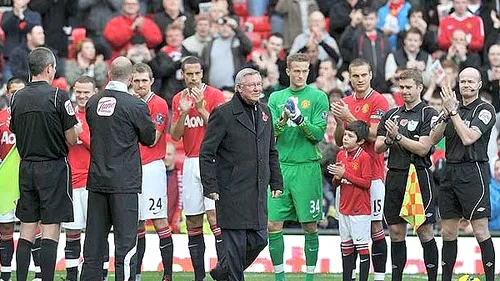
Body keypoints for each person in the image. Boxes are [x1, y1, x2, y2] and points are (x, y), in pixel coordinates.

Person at [199, 68, 284, 281]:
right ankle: (230, 271)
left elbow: (271, 150)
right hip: (231, 189)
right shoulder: (223, 113)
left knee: (260, 239)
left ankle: (223, 270)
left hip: (257, 189)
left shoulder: (265, 112)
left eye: (258, 84)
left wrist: (276, 181)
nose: (257, 88)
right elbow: (207, 152)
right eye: (251, 85)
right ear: (239, 88)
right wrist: (210, 186)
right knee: (235, 245)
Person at [81, 57, 156, 281]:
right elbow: (149, 138)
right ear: (131, 78)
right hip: (124, 183)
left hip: (97, 181)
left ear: (108, 75)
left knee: (93, 243)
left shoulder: (93, 102)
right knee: (125, 244)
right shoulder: (135, 105)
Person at [10, 47, 81, 281]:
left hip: (27, 166)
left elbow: (14, 130)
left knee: (27, 228)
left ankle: (20, 278)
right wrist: (75, 130)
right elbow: (72, 138)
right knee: (50, 228)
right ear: (49, 68)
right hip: (53, 167)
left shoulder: (17, 97)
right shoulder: (58, 96)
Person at [430, 67, 496, 281]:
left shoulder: (485, 110)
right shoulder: (452, 108)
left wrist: (454, 113)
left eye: (470, 82)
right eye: (462, 81)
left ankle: (489, 278)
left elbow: (468, 137)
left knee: (480, 230)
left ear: (478, 85)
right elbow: (433, 137)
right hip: (450, 171)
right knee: (448, 231)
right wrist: (446, 113)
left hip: (473, 171)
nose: (466, 85)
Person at [267, 53, 329, 281]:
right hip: (281, 167)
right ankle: (279, 278)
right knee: (273, 223)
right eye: (297, 70)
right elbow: (271, 133)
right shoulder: (275, 98)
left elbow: (318, 134)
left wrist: (300, 119)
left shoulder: (318, 97)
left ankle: (309, 277)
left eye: (305, 71)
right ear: (288, 71)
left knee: (310, 225)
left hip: (307, 167)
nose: (301, 75)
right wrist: (283, 119)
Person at [374, 69, 439, 281]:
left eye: (409, 87)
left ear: (420, 87)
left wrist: (398, 136)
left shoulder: (428, 114)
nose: (404, 91)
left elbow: (422, 148)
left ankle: (431, 277)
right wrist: (390, 140)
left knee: (424, 231)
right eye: (401, 87)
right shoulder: (392, 114)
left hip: (418, 175)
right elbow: (377, 146)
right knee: (395, 231)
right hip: (395, 175)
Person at [331, 58, 389, 281]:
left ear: (371, 74)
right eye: (355, 75)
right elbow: (339, 141)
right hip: (346, 176)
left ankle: (380, 276)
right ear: (350, 77)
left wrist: (348, 117)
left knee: (374, 226)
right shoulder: (345, 101)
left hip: (372, 175)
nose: (360, 79)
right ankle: (351, 275)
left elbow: (375, 135)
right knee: (348, 229)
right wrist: (338, 123)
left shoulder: (378, 101)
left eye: (364, 75)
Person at [170, 56, 226, 281]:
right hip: (191, 161)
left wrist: (201, 106)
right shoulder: (177, 99)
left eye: (197, 74)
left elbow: (221, 127)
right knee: (193, 220)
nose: (193, 78)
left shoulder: (215, 95)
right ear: (183, 75)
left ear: (203, 73)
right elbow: (174, 135)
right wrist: (183, 112)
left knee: (215, 218)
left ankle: (224, 272)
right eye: (189, 74)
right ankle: (199, 276)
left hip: (213, 161)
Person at [130, 63, 174, 281]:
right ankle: (136, 274)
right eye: (136, 81)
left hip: (152, 168)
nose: (140, 85)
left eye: (144, 81)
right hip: (132, 168)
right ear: (130, 81)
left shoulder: (158, 103)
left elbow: (153, 138)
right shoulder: (128, 103)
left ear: (152, 81)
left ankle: (167, 274)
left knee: (158, 220)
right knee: (136, 223)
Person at [0, 77, 43, 281]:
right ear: (7, 94)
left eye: (20, 91)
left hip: (29, 177)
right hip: (6, 182)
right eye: (13, 92)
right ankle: (6, 273)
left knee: (32, 226)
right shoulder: (0, 119)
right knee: (6, 226)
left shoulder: (33, 116)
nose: (16, 95)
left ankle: (39, 272)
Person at [61, 76, 99, 281]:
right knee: (72, 233)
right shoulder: (67, 116)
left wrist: (81, 134)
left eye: (86, 92)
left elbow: (102, 149)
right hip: (72, 181)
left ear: (94, 92)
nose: (82, 96)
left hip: (94, 184)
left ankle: (99, 274)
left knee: (96, 233)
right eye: (79, 92)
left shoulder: (100, 116)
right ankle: (71, 276)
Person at [329, 120, 373, 281]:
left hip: (360, 209)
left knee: (362, 249)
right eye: (345, 134)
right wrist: (336, 177)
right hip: (344, 207)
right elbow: (337, 182)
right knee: (346, 247)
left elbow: (367, 184)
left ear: (360, 141)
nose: (345, 138)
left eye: (350, 136)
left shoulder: (365, 158)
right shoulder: (341, 154)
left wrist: (345, 174)